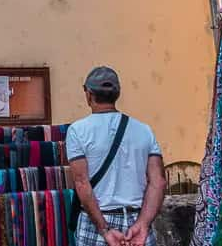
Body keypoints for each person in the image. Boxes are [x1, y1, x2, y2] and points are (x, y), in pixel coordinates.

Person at [66, 67, 166, 246]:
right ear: (117, 94)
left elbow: (82, 183)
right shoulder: (144, 130)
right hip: (137, 220)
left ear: (89, 94)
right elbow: (158, 182)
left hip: (95, 224)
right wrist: (142, 225)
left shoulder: (77, 131)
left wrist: (105, 229)